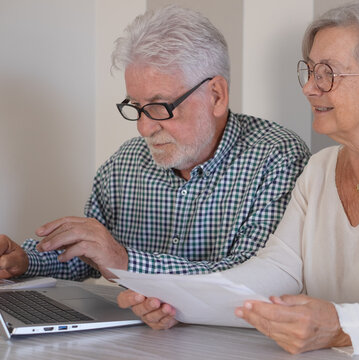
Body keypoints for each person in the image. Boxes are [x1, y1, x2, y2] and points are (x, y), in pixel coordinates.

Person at [117, 1, 359, 355]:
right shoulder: (320, 168)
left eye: (328, 73)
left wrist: (340, 325)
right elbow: (275, 272)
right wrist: (174, 300)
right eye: (311, 70)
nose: (309, 87)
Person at [0, 6, 309, 281]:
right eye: (135, 106)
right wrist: (27, 260)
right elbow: (90, 259)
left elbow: (253, 278)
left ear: (216, 95)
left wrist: (125, 261)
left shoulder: (278, 159)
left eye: (160, 107)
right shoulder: (126, 164)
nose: (143, 127)